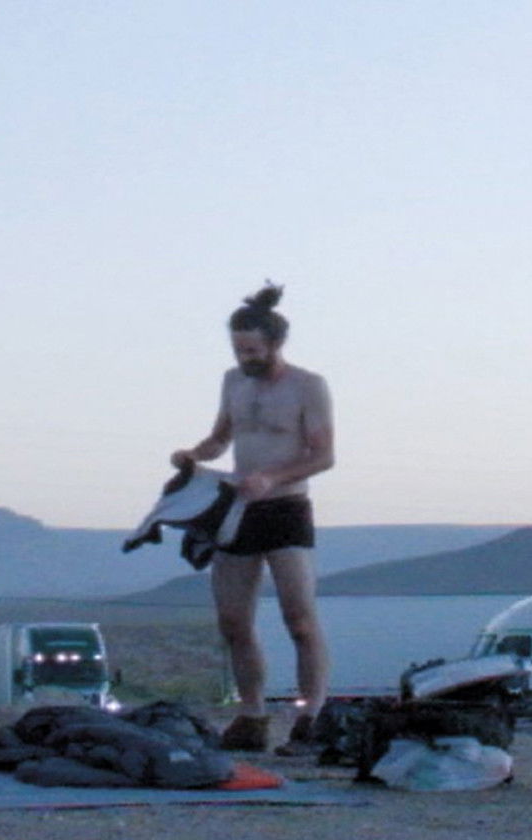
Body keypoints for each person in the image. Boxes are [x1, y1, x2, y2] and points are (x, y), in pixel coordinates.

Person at [171, 283, 334, 756]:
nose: (245, 358)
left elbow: (323, 455)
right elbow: (221, 438)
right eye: (239, 350)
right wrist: (194, 455)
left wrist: (271, 477)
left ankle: (311, 714)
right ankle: (252, 714)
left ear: (275, 344)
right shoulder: (233, 381)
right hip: (239, 508)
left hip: (285, 507)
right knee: (233, 620)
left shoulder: (308, 386)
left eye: (253, 351)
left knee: (299, 617)